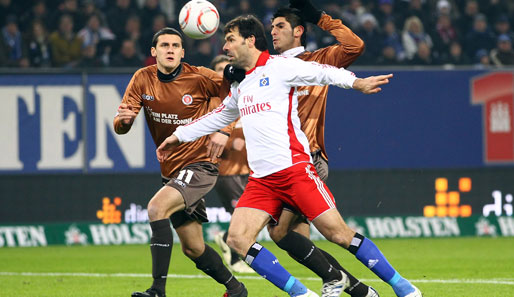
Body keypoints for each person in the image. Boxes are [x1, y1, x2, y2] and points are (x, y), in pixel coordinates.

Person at [157, 15, 421, 297]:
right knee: (237, 239)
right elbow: (220, 115)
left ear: (249, 40)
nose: (225, 47)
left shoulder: (280, 67)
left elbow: (325, 73)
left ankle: (402, 286)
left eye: (230, 39)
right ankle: (300, 293)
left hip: (295, 171)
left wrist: (357, 83)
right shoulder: (242, 84)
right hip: (262, 181)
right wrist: (178, 135)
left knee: (339, 235)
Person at [113, 27, 247, 297]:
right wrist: (123, 122)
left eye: (176, 45)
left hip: (200, 164)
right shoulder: (142, 78)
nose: (170, 49)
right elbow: (120, 123)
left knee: (155, 208)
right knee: (193, 247)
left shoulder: (199, 76)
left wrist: (223, 130)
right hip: (172, 170)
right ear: (154, 52)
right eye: (164, 45)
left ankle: (157, 291)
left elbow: (236, 92)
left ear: (183, 52)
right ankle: (236, 289)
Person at [268, 3, 377, 297]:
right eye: (272, 26)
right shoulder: (270, 68)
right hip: (283, 162)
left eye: (280, 26)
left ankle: (381, 286)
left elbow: (354, 45)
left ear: (299, 31)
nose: (273, 31)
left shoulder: (319, 60)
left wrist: (321, 18)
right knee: (296, 240)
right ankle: (361, 291)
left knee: (282, 233)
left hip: (308, 159)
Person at [210, 55, 255, 274]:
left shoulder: (242, 95)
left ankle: (227, 240)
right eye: (218, 69)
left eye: (225, 68)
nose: (222, 72)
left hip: (248, 169)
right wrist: (229, 141)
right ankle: (236, 258)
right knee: (243, 215)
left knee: (251, 216)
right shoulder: (212, 102)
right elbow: (204, 135)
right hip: (226, 172)